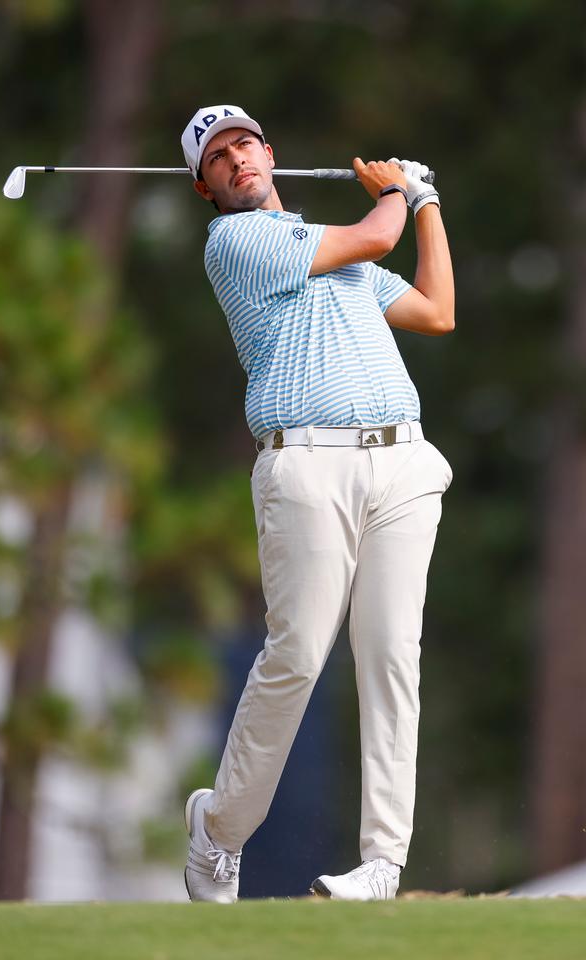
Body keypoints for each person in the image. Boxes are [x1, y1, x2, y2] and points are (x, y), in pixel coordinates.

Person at [177, 104, 455, 902]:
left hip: (401, 463)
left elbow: (437, 312)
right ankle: (219, 830)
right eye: (218, 160)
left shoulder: (345, 258)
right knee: (297, 655)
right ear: (206, 187)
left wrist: (425, 203)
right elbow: (374, 234)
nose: (237, 162)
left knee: (393, 656)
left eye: (245, 146)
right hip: (304, 466)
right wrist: (401, 191)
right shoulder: (237, 243)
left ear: (270, 151)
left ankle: (382, 864)